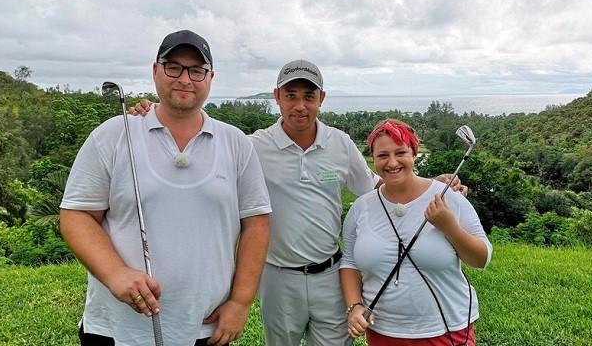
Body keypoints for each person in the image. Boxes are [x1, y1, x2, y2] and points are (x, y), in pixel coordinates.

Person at [131, 60, 465, 345]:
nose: (300, 105)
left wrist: (427, 185)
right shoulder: (253, 146)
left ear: (322, 98)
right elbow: (198, 153)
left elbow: (375, 187)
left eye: (309, 96)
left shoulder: (340, 143)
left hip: (331, 274)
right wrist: (156, 113)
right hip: (277, 277)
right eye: (290, 95)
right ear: (277, 98)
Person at [60, 29, 271, 346]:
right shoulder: (114, 135)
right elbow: (76, 214)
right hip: (117, 330)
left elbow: (256, 223)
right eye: (173, 67)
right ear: (155, 70)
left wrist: (241, 302)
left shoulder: (236, 143)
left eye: (196, 70)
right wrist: (115, 273)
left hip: (204, 328)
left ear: (210, 77)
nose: (185, 79)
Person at [340, 119, 492, 346]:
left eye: (401, 152)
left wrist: (449, 226)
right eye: (382, 155)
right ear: (373, 159)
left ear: (414, 154)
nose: (392, 162)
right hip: (383, 331)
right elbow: (350, 263)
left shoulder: (448, 198)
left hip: (446, 329)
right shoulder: (361, 208)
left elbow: (481, 259)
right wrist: (354, 306)